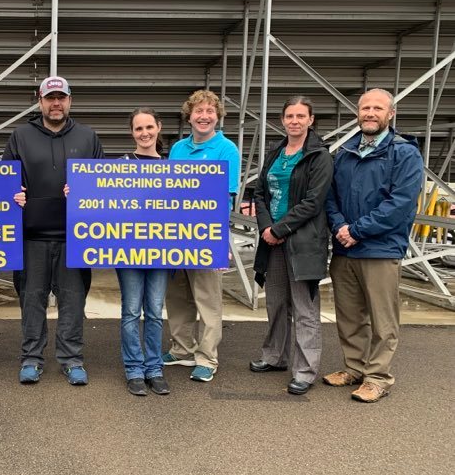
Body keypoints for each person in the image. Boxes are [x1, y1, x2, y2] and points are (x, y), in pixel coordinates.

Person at [323, 88, 423, 403]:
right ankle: (354, 368)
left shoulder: (404, 153)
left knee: (383, 319)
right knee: (349, 315)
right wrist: (340, 227)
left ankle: (378, 377)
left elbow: (401, 203)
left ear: (390, 114)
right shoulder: (346, 152)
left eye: (377, 108)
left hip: (380, 249)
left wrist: (358, 230)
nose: (370, 113)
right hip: (345, 248)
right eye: (365, 107)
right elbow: (331, 196)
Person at [3, 76, 104, 386]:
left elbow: (102, 185)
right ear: (40, 101)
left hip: (74, 238)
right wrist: (12, 193)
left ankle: (72, 359)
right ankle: (31, 358)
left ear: (70, 101)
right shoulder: (20, 136)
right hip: (31, 236)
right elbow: (5, 184)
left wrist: (87, 190)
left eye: (61, 97)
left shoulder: (88, 137)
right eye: (50, 97)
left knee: (73, 301)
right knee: (31, 300)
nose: (56, 102)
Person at [250, 96, 333, 395]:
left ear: (311, 120)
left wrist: (281, 228)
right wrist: (266, 228)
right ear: (282, 119)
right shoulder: (276, 151)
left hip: (303, 242)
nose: (294, 121)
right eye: (289, 116)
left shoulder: (319, 156)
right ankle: (275, 356)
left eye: (300, 116)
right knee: (276, 302)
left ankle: (305, 370)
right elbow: (259, 193)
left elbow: (314, 202)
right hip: (272, 239)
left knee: (304, 308)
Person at [161, 89, 240, 383]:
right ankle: (182, 349)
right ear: (189, 115)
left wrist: (221, 241)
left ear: (217, 116)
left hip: (206, 234)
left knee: (207, 299)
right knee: (178, 296)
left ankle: (207, 357)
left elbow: (225, 198)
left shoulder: (226, 149)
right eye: (198, 111)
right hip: (176, 235)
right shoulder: (178, 149)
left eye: (210, 112)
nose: (204, 117)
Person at [116, 107, 170, 396]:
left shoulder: (175, 167)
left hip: (162, 251)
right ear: (132, 133)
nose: (145, 133)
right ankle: (134, 369)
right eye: (139, 129)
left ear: (159, 127)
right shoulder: (120, 165)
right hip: (128, 251)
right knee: (130, 311)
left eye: (149, 127)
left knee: (155, 312)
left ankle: (155, 367)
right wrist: (74, 192)